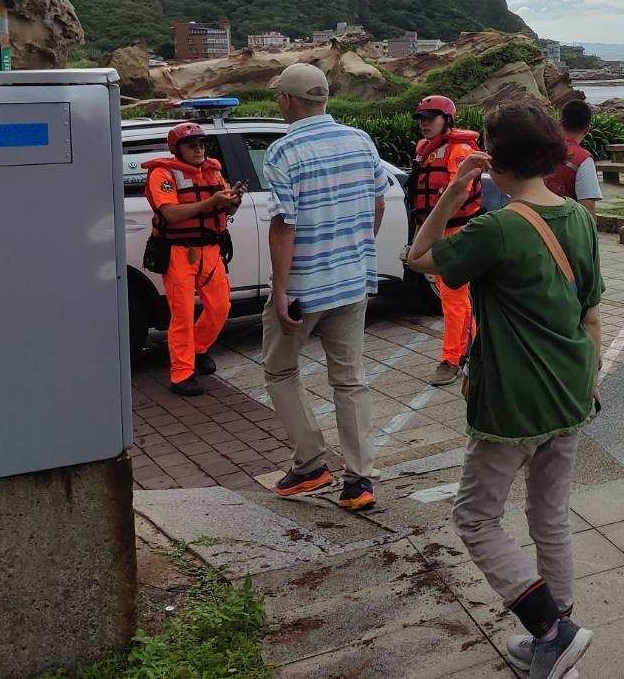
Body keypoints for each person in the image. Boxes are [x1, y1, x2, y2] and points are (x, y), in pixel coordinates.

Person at [406, 100, 602, 679]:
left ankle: (548, 629)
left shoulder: (495, 228)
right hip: (571, 391)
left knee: (474, 517)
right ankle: (557, 635)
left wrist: (453, 188)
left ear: (495, 158)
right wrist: (586, 385)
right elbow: (591, 315)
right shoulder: (578, 219)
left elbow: (417, 257)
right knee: (550, 516)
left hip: (513, 400)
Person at [262, 63, 390, 512]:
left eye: (279, 96)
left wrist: (280, 291)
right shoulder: (360, 140)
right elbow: (378, 201)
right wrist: (355, 251)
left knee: (280, 371)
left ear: (289, 101)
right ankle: (359, 481)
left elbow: (284, 226)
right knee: (350, 380)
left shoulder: (283, 152)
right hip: (351, 281)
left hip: (303, 288)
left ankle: (311, 463)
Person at [144, 121, 244, 396]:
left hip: (210, 249)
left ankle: (197, 349)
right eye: (192, 145)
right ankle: (181, 374)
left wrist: (233, 201)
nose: (199, 149)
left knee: (220, 307)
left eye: (201, 144)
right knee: (182, 315)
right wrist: (212, 203)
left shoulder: (213, 170)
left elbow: (226, 207)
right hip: (178, 251)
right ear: (177, 149)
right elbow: (171, 214)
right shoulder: (162, 173)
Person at [408, 94, 483, 386]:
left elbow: (461, 191)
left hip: (458, 231)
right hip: (434, 230)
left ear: (447, 119)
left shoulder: (459, 150)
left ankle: (452, 359)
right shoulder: (424, 149)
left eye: (431, 118)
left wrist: (433, 229)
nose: (424, 124)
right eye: (421, 119)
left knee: (453, 297)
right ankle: (477, 348)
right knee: (456, 298)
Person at [544, 99, 604, 215]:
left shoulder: (540, 150)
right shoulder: (583, 159)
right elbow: (588, 207)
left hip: (534, 224)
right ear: (587, 129)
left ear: (560, 123)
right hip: (566, 227)